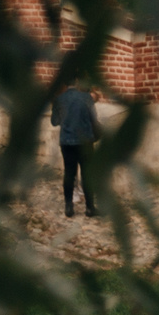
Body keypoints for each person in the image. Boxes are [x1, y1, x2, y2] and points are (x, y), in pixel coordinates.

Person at [51, 81, 97, 217]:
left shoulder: (59, 99)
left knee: (69, 173)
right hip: (85, 141)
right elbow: (93, 118)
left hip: (67, 141)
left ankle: (69, 207)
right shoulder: (87, 98)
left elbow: (54, 122)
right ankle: (90, 208)